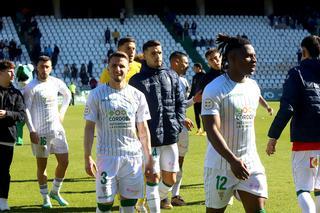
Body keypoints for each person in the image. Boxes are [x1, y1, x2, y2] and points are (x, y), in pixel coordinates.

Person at [201, 34, 268, 213]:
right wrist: (232, 160)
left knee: (258, 209)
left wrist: (240, 161)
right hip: (220, 166)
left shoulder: (253, 87)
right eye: (248, 56)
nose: (254, 60)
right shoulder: (214, 89)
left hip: (250, 162)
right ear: (231, 58)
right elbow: (211, 129)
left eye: (254, 56)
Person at [83, 51, 154, 213]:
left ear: (128, 69)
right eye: (114, 65)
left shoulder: (138, 96)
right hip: (106, 157)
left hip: (132, 157)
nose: (118, 69)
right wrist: (87, 156)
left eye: (122, 66)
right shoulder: (96, 94)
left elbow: (143, 130)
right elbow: (89, 128)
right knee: (104, 205)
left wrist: (148, 158)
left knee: (128, 205)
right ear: (108, 69)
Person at [129, 40, 185, 212]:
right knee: (153, 179)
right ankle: (152, 206)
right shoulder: (136, 80)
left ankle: (143, 202)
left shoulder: (172, 75)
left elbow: (180, 102)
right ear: (145, 55)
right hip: (149, 139)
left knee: (171, 179)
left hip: (170, 136)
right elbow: (131, 110)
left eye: (159, 52)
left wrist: (177, 123)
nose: (157, 56)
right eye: (153, 53)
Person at [266, 35, 320, 213]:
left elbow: (287, 107)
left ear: (304, 51)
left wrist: (273, 136)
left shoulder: (296, 72)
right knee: (319, 189)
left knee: (304, 189)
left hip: (304, 140)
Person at [24, 55, 71, 209]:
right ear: (36, 68)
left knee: (64, 162)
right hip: (41, 134)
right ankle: (45, 198)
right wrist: (32, 130)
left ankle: (55, 192)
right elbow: (26, 110)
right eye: (41, 67)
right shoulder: (31, 87)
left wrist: (62, 112)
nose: (44, 70)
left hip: (57, 131)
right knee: (42, 166)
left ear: (51, 68)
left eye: (47, 67)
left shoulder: (56, 82)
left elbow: (67, 94)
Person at [169, 52, 202, 207]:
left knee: (180, 161)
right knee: (166, 161)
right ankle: (161, 196)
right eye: (185, 62)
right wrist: (181, 118)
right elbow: (165, 105)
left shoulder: (183, 81)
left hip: (182, 129)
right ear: (176, 62)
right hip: (168, 127)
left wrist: (194, 100)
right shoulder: (165, 79)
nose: (188, 65)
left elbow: (181, 104)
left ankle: (175, 195)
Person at [0, 60, 26, 211]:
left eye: (13, 71)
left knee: (4, 171)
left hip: (7, 138)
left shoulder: (16, 93)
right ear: (1, 72)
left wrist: (7, 114)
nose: (13, 74)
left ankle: (3, 202)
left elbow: (21, 115)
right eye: (9, 71)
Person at [15, 63, 34, 146]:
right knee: (19, 125)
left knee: (34, 124)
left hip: (31, 110)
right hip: (21, 111)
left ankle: (36, 138)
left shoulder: (33, 88)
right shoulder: (17, 89)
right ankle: (19, 139)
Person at [188, 63, 206, 136]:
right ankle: (199, 129)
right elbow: (193, 88)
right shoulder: (194, 77)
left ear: (199, 68)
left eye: (194, 68)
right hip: (195, 98)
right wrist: (189, 97)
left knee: (203, 114)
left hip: (202, 98)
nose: (193, 69)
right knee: (196, 114)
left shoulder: (204, 76)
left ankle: (205, 130)